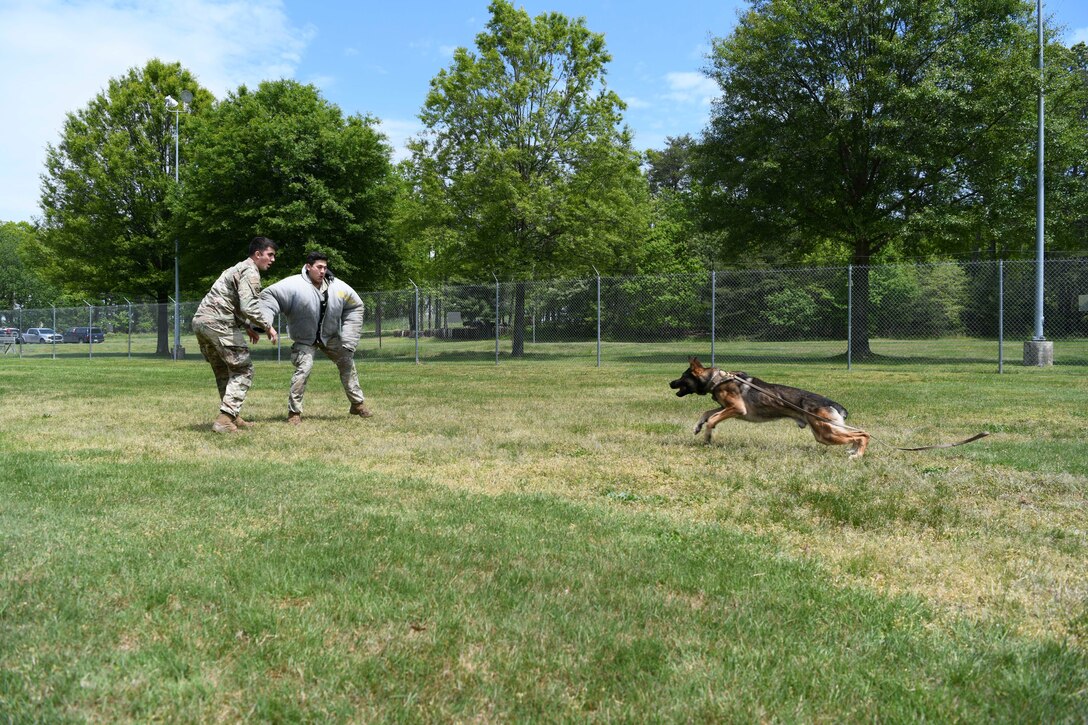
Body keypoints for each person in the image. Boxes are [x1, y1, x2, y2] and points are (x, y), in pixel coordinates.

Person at [259, 251, 371, 425]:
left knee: (347, 363)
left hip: (330, 337)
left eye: (325, 268)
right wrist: (263, 323)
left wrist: (348, 340)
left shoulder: (339, 288)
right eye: (319, 267)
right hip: (305, 339)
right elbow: (269, 296)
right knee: (304, 369)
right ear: (308, 266)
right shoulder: (293, 285)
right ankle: (294, 413)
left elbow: (355, 306)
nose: (322, 271)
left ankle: (357, 404)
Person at [192, 236, 279, 433]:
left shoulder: (235, 268)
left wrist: (246, 326)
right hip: (219, 323)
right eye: (270, 255)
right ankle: (225, 420)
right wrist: (267, 326)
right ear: (258, 254)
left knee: (223, 371)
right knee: (243, 369)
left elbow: (233, 303)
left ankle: (233, 416)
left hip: (201, 323)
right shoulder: (250, 271)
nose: (273, 260)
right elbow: (249, 306)